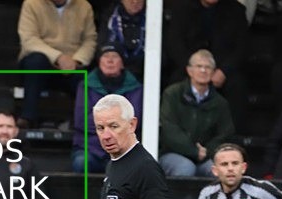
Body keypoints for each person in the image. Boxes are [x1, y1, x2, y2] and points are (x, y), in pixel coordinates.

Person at [165, 0, 248, 128]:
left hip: (221, 70)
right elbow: (174, 44)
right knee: (175, 83)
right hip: (189, 68)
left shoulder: (236, 10)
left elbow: (242, 48)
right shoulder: (182, 8)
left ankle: (231, 138)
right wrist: (194, 69)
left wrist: (223, 71)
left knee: (238, 85)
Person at [17, 0, 98, 128]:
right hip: (42, 63)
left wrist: (77, 60)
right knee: (35, 62)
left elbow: (90, 40)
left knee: (89, 76)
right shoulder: (31, 4)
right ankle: (28, 117)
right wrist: (58, 57)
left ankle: (81, 124)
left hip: (73, 65)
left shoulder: (84, 6)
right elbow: (29, 40)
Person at [159, 49, 235, 178]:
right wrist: (193, 151)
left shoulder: (220, 102)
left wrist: (207, 152)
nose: (203, 70)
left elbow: (225, 134)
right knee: (186, 168)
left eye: (208, 67)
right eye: (199, 66)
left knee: (219, 171)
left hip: (206, 156)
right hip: (172, 154)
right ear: (189, 70)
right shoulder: (172, 94)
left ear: (213, 72)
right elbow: (169, 129)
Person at [72, 44, 143, 174]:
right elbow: (82, 121)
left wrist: (102, 122)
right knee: (81, 162)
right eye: (105, 56)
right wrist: (116, 123)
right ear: (99, 62)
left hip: (123, 148)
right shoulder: (86, 85)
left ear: (122, 63)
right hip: (90, 148)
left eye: (114, 56)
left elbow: (132, 120)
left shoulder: (135, 87)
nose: (110, 60)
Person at [96, 0, 145, 79]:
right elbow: (102, 48)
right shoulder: (109, 16)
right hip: (114, 71)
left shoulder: (155, 16)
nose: (135, 1)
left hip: (145, 71)